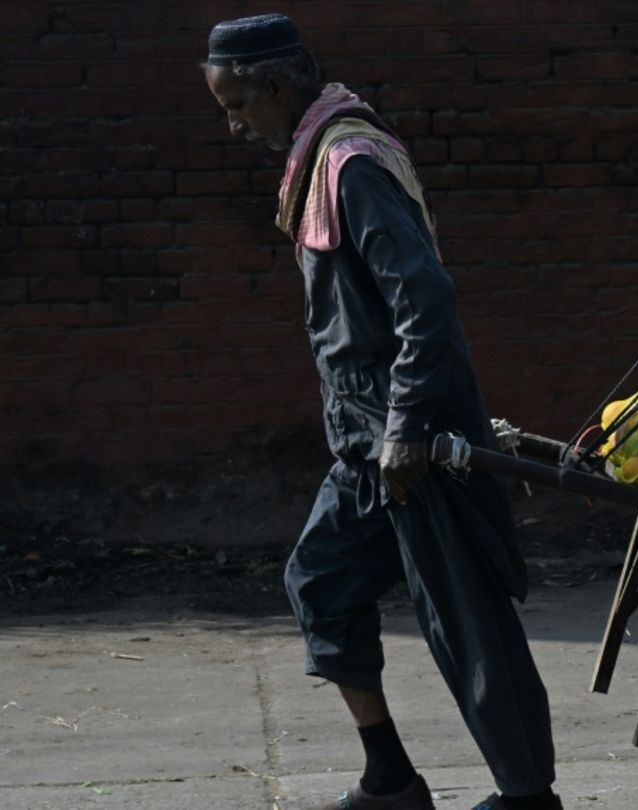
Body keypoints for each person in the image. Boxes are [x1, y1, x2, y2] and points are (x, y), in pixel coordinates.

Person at [201, 14, 562, 810]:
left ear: (281, 85)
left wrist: (406, 427)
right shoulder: (318, 162)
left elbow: (423, 299)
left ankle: (529, 798)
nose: (234, 125)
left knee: (464, 622)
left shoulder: (350, 163)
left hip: (416, 442)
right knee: (321, 583)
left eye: (237, 105)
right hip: (365, 443)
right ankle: (390, 779)